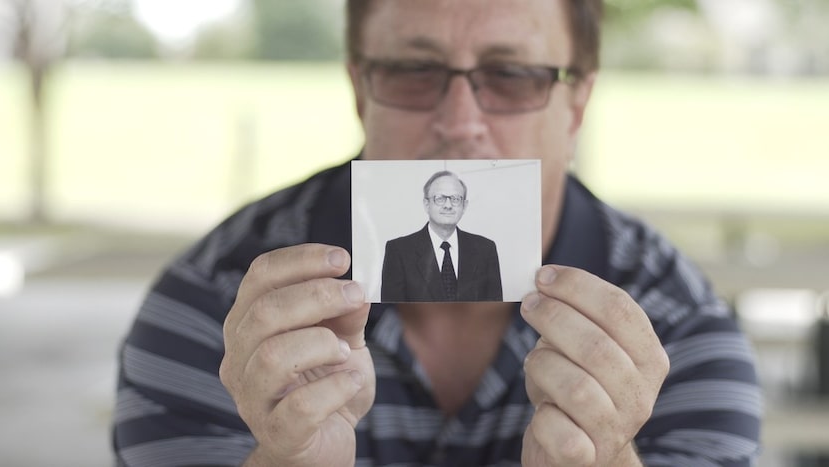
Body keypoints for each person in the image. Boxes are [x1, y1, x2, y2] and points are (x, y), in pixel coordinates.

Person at [112, 0, 762, 465]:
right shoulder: (210, 313)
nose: (459, 123)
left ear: (578, 105)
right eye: (412, 70)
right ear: (359, 91)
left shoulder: (678, 330)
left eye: (513, 76)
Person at [381, 170, 503, 302]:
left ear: (464, 206)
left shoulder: (485, 249)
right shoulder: (399, 250)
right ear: (426, 204)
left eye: (455, 199)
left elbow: (495, 309)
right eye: (440, 199)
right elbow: (393, 312)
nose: (448, 205)